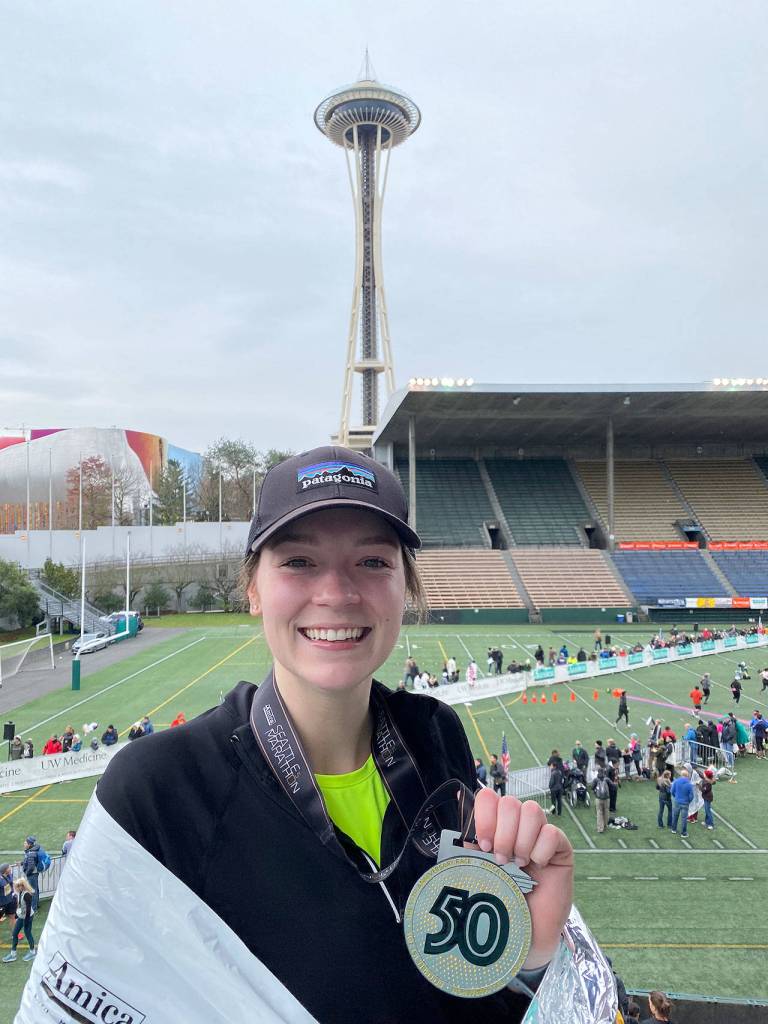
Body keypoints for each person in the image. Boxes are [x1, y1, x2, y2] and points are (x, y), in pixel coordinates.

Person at [24, 446, 574, 1023]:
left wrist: (529, 956)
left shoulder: (434, 737)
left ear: (405, 588)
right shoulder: (158, 789)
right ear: (253, 588)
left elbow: (458, 985)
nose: (336, 592)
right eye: (299, 562)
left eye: (372, 561)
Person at [2, 877, 36, 962]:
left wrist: (26, 921)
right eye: (17, 886)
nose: (18, 887)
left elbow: (28, 910)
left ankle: (32, 952)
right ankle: (13, 954)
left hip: (28, 916)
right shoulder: (20, 892)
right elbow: (21, 905)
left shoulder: (27, 895)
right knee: (15, 933)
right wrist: (18, 915)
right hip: (22, 916)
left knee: (28, 933)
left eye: (19, 885)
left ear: (23, 885)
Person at [670, 769, 694, 838]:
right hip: (685, 803)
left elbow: (672, 791)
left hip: (677, 802)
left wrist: (676, 797)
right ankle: (683, 833)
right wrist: (688, 801)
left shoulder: (676, 781)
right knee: (684, 819)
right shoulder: (689, 784)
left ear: (681, 774)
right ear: (687, 775)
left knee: (675, 816)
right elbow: (691, 796)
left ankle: (673, 829)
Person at [20, 837, 42, 911]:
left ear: (29, 844)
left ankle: (33, 908)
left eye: (25, 843)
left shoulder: (31, 853)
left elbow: (31, 866)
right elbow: (28, 861)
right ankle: (36, 905)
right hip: (34, 873)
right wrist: (21, 863)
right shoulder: (32, 851)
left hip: (32, 874)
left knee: (32, 891)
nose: (24, 844)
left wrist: (27, 873)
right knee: (35, 889)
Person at [591, 769, 610, 833]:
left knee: (599, 813)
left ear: (598, 773)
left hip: (598, 798)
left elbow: (592, 788)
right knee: (606, 812)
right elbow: (612, 786)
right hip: (606, 798)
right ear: (604, 773)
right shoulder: (607, 779)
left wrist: (595, 792)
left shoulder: (595, 780)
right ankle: (605, 826)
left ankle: (600, 828)